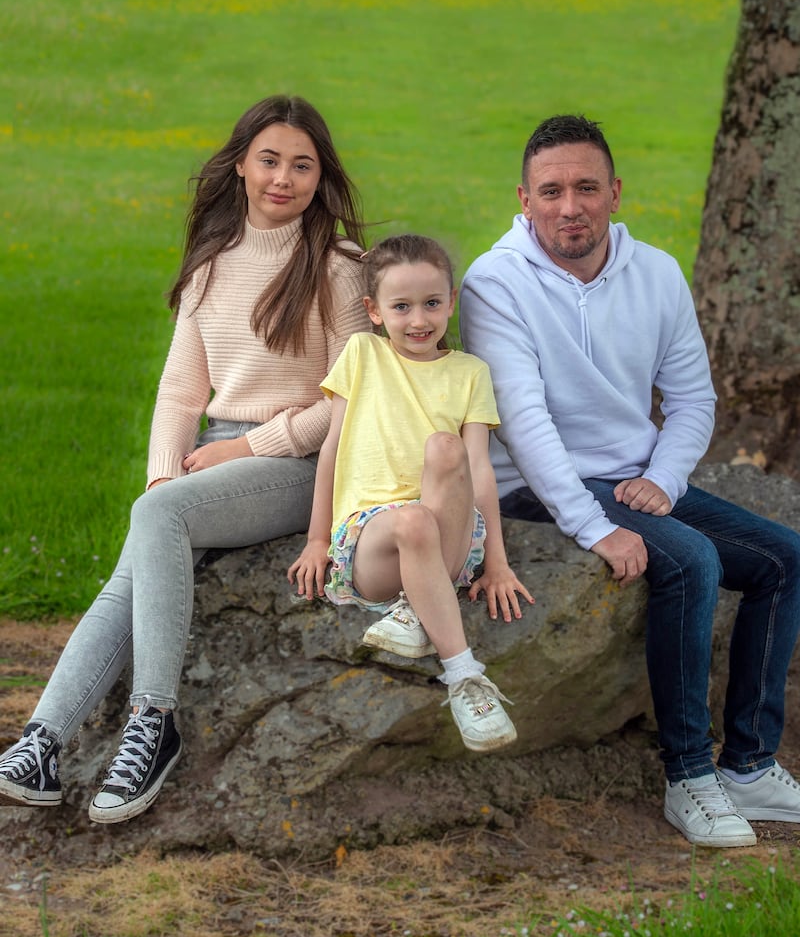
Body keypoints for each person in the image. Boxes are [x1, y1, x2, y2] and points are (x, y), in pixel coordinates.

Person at [0, 94, 371, 823]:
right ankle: (42, 741)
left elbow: (353, 400)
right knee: (141, 550)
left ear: (320, 176)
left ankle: (153, 720)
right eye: (269, 160)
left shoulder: (338, 267)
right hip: (214, 464)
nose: (283, 178)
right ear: (240, 165)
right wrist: (164, 477)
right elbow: (179, 392)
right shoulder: (210, 265)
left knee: (158, 520)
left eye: (302, 165)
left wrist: (244, 446)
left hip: (306, 462)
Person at [459, 113, 800, 848]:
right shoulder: (492, 284)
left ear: (616, 192)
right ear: (523, 199)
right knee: (692, 558)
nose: (569, 206)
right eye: (550, 191)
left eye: (586, 187)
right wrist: (595, 526)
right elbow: (521, 420)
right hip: (537, 490)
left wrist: (666, 479)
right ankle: (689, 778)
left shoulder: (657, 274)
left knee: (784, 558)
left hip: (634, 476)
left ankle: (748, 762)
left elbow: (692, 400)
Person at [288, 234, 533, 752]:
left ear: (451, 303)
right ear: (373, 311)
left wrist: (498, 563)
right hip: (372, 538)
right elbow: (331, 448)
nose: (418, 319)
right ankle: (464, 676)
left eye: (431, 303)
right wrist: (314, 540)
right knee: (412, 521)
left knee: (447, 450)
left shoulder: (470, 373)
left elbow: (479, 472)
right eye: (401, 307)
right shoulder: (362, 355)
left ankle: (415, 613)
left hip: (449, 538)